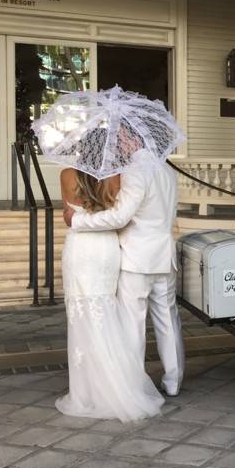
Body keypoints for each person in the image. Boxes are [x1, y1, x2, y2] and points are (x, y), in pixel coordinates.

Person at [65, 137, 185, 398]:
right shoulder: (165, 168)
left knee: (133, 323)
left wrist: (78, 221)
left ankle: (133, 384)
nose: (117, 145)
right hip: (164, 255)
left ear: (133, 139)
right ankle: (173, 381)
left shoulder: (134, 170)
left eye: (121, 139)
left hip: (136, 258)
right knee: (168, 321)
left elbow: (120, 216)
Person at [56, 167, 164, 422]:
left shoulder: (67, 174)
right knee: (106, 314)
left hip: (81, 247)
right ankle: (116, 387)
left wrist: (76, 216)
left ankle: (88, 393)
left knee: (81, 318)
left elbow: (67, 214)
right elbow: (119, 217)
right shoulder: (118, 177)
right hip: (107, 248)